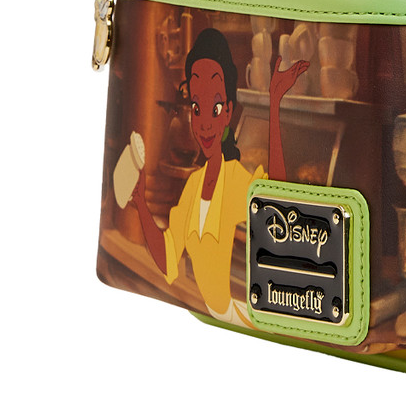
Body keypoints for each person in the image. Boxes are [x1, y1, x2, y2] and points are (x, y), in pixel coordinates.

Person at [130, 27, 307, 324]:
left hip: (247, 316)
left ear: (228, 112)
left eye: (214, 108)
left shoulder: (235, 178)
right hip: (218, 317)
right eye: (196, 107)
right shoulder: (193, 185)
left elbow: (277, 205)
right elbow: (168, 257)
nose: (204, 123)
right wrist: (141, 206)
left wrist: (274, 104)